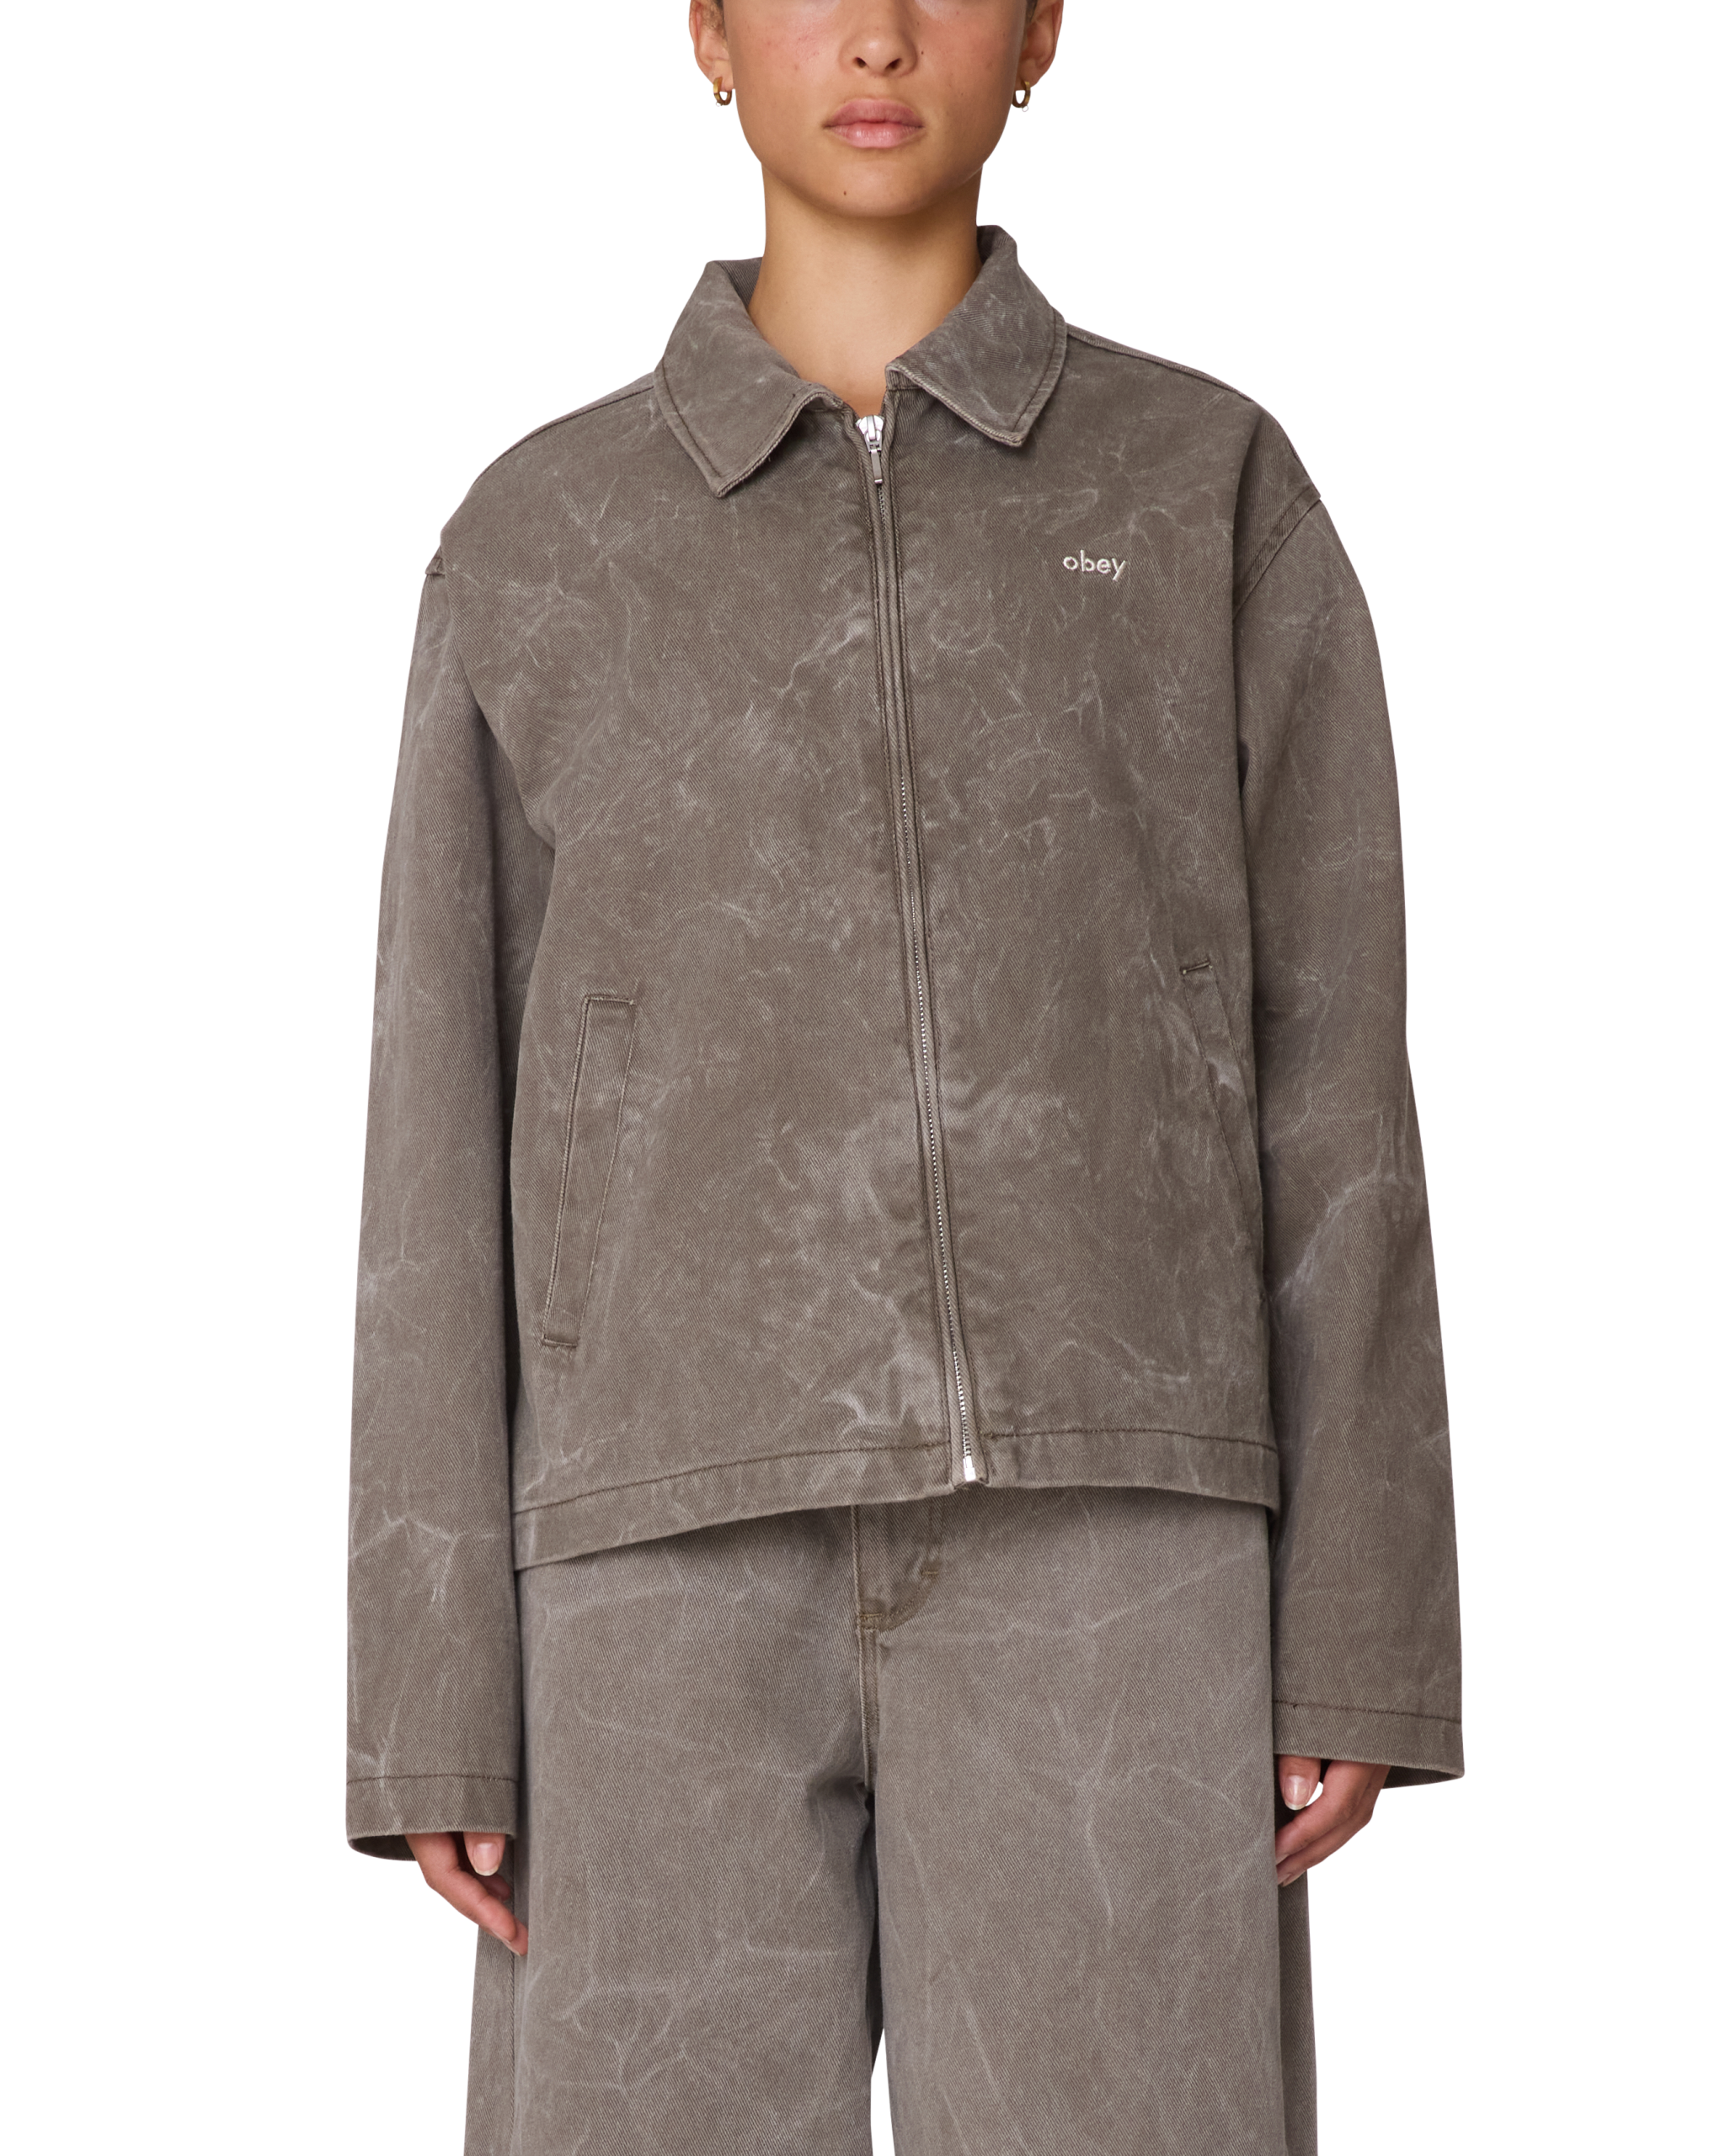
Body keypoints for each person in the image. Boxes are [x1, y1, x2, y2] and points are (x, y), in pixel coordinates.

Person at [344, 3, 1464, 2149]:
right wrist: (426, 1688)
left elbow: (1337, 1074)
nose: (874, 33)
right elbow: (433, 1120)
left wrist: (1364, 1618)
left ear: (1042, 33)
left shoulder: (1207, 481)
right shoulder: (539, 532)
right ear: (705, 35)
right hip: (645, 1563)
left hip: (1120, 1544)